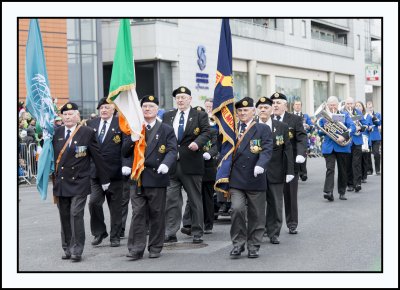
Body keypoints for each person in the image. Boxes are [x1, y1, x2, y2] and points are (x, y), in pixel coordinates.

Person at [52, 102, 110, 262]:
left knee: (76, 214)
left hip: (80, 181)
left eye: (71, 114)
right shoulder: (56, 133)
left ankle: (77, 249)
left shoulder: (87, 132)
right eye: (65, 114)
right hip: (62, 182)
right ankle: (67, 248)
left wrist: (104, 179)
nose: (68, 117)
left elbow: (98, 157)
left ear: (77, 116)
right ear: (62, 117)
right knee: (64, 216)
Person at [122, 95, 177, 260]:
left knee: (156, 213)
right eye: (144, 106)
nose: (147, 109)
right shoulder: (134, 127)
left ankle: (155, 247)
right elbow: (124, 151)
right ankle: (135, 249)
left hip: (157, 177)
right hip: (138, 177)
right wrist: (131, 142)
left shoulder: (166, 129)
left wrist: (166, 164)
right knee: (138, 213)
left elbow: (172, 149)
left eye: (151, 106)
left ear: (157, 109)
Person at [162, 86, 210, 244]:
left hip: (191, 162)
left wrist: (198, 143)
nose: (180, 100)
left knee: (195, 199)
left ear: (190, 99)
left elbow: (206, 132)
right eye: (178, 98)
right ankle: (170, 231)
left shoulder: (199, 115)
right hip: (172, 165)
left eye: (183, 97)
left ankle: (197, 231)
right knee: (171, 200)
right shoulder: (168, 116)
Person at [228, 97, 272, 259]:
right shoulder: (231, 130)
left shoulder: (262, 129)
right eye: (239, 111)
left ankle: (253, 245)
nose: (242, 113)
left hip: (255, 177)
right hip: (236, 179)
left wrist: (261, 164)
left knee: (256, 214)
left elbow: (267, 149)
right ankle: (238, 244)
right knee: (237, 209)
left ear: (253, 111)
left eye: (246, 110)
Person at [86, 97, 124, 248]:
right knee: (94, 202)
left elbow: (124, 147)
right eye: (101, 108)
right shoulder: (91, 124)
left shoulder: (120, 124)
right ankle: (99, 232)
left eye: (107, 108)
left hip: (115, 173)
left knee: (115, 208)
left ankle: (115, 236)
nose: (104, 110)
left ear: (113, 109)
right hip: (95, 174)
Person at [256, 97, 294, 245]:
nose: (263, 110)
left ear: (272, 109)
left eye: (266, 107)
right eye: (261, 107)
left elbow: (287, 149)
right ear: (257, 110)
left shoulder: (282, 126)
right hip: (256, 172)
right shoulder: (251, 126)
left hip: (276, 171)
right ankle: (258, 231)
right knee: (256, 205)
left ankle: (274, 232)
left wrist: (290, 170)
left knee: (276, 205)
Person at [271, 92, 307, 235]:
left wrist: (300, 154)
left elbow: (301, 138)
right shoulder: (266, 119)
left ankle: (292, 223)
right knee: (272, 196)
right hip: (272, 164)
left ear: (285, 105)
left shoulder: (294, 119)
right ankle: (271, 225)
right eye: (273, 103)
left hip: (290, 163)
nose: (275, 105)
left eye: (278, 103)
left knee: (290, 195)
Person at [181, 103, 218, 235]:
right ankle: (188, 223)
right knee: (192, 196)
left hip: (207, 168)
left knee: (207, 197)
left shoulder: (212, 131)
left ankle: (208, 223)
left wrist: (209, 154)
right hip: (191, 166)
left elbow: (215, 146)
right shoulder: (188, 132)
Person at [317, 96, 356, 201]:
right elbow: (319, 131)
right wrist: (324, 129)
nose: (332, 107)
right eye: (330, 105)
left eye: (334, 105)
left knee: (342, 170)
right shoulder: (323, 117)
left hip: (342, 146)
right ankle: (328, 192)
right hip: (329, 147)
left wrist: (343, 136)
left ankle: (342, 192)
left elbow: (353, 127)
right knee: (330, 169)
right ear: (327, 106)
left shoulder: (344, 114)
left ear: (337, 104)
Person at [343, 97, 368, 193]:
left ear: (354, 104)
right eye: (348, 104)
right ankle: (349, 184)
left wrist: (360, 127)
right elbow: (338, 125)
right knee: (348, 163)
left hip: (357, 140)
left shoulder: (358, 112)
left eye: (351, 104)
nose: (349, 105)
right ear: (345, 104)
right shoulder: (342, 113)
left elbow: (365, 124)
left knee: (356, 163)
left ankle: (357, 183)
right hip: (347, 141)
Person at [292, 99, 313, 181]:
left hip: (303, 138)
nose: (297, 106)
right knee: (294, 156)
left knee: (303, 155)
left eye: (299, 105)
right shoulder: (290, 116)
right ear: (293, 106)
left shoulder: (305, 116)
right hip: (293, 138)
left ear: (301, 106)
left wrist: (308, 127)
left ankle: (303, 173)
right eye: (296, 104)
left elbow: (312, 126)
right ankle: (296, 172)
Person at [355, 101, 372, 184]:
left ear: (362, 107)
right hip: (357, 137)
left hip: (365, 137)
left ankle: (364, 176)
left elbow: (370, 125)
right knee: (358, 159)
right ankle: (359, 175)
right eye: (356, 105)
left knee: (364, 158)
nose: (358, 107)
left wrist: (369, 128)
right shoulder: (354, 115)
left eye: (359, 106)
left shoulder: (367, 116)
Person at [366, 101, 381, 175]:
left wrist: (372, 116)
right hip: (368, 137)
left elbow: (378, 123)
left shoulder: (377, 114)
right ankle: (369, 170)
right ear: (366, 107)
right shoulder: (365, 115)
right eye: (368, 107)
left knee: (376, 154)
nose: (370, 108)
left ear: (373, 107)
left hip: (376, 136)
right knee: (367, 154)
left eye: (371, 106)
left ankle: (378, 169)